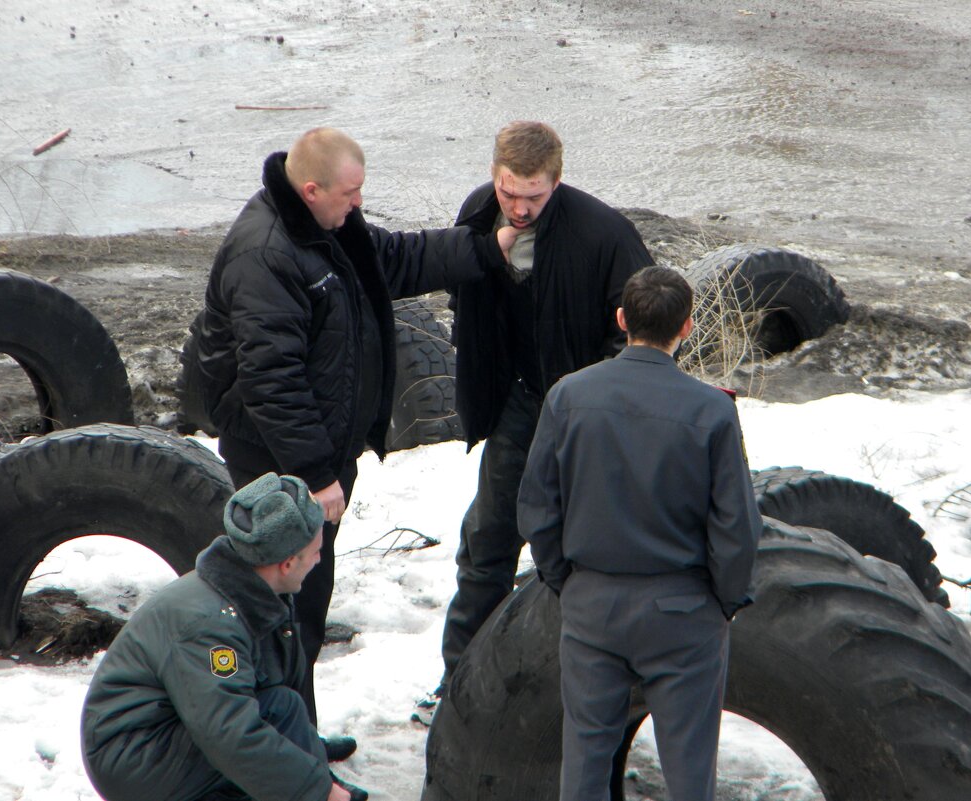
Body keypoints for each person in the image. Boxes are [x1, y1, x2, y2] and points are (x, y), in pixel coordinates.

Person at [193, 127, 520, 722]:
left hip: (321, 447)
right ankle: (276, 746)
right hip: (278, 459)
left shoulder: (327, 227)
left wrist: (485, 250)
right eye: (351, 193)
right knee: (281, 610)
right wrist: (316, 475)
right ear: (311, 189)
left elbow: (393, 259)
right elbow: (272, 380)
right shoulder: (266, 254)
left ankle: (298, 735)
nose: (359, 203)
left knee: (305, 609)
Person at [517, 266, 763, 801]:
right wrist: (721, 602)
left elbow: (537, 505)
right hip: (683, 610)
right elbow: (737, 526)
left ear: (622, 319)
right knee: (689, 769)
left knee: (584, 761)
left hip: (592, 605)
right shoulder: (713, 410)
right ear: (688, 327)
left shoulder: (567, 396)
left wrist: (568, 581)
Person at [433, 120, 654, 699]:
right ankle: (460, 685)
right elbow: (461, 293)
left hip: (584, 416)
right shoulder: (480, 213)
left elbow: (642, 332)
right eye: (510, 192)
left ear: (556, 180)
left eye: (533, 195)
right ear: (493, 176)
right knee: (488, 542)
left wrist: (600, 402)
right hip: (515, 400)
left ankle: (588, 688)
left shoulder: (603, 233)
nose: (520, 207)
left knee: (583, 551)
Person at [81, 473, 367, 801]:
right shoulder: (208, 625)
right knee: (254, 757)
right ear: (287, 564)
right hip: (136, 759)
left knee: (283, 706)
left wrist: (306, 760)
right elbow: (229, 735)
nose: (319, 559)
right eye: (316, 551)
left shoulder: (250, 583)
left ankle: (309, 767)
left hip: (172, 729)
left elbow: (273, 690)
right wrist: (321, 792)